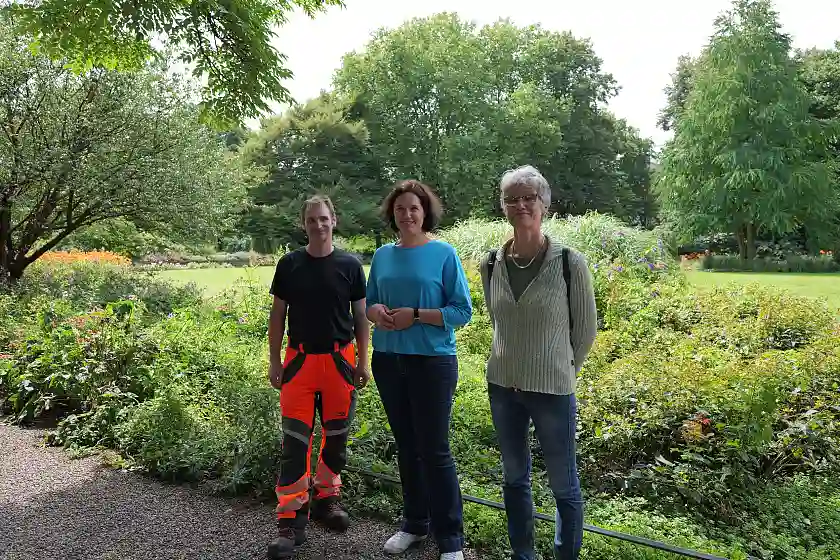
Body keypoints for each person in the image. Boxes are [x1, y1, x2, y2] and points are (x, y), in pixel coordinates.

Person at [478, 165, 598, 560]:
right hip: (503, 388)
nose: (521, 204)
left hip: (552, 392)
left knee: (564, 485)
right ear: (503, 208)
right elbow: (499, 322)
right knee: (514, 480)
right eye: (511, 198)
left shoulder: (569, 263)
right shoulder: (491, 264)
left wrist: (560, 370)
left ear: (544, 204)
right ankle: (522, 554)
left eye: (529, 197)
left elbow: (585, 333)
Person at [365, 180, 473, 560]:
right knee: (407, 447)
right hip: (389, 361)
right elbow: (371, 303)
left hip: (432, 362)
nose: (407, 214)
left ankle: (451, 541)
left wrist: (417, 316)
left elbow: (462, 312)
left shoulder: (443, 254)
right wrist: (374, 311)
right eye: (400, 209)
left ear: (425, 212)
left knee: (435, 449)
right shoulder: (381, 256)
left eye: (413, 208)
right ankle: (414, 524)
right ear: (392, 215)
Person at [266, 195, 371, 559]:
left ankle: (327, 499)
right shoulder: (289, 265)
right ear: (304, 224)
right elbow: (277, 316)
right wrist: (274, 361)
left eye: (324, 219)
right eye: (312, 220)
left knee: (337, 437)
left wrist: (363, 362)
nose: (319, 225)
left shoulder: (350, 265)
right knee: (295, 442)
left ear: (334, 220)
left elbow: (361, 318)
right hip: (299, 362)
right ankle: (291, 520)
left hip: (340, 362)